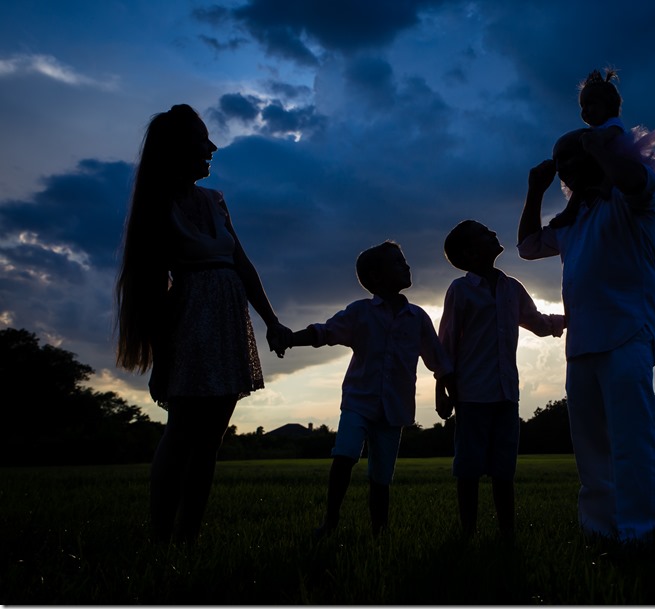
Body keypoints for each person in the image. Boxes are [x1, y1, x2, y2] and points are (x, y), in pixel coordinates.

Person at [114, 104, 293, 544]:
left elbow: (242, 263)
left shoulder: (215, 201)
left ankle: (187, 537)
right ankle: (160, 538)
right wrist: (163, 357)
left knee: (210, 440)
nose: (211, 147)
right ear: (177, 149)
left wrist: (270, 320)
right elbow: (153, 288)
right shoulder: (158, 207)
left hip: (229, 325)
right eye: (201, 140)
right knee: (182, 433)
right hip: (191, 324)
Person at [517, 80, 655, 544]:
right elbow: (527, 247)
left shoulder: (634, 199)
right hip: (583, 339)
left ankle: (640, 532)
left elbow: (629, 179)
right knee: (589, 444)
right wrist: (534, 190)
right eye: (562, 163)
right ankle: (600, 528)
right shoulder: (574, 220)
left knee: (630, 438)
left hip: (627, 330)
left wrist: (600, 148)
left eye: (571, 159)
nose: (565, 169)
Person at [281, 241, 454, 538]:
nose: (407, 267)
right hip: (358, 402)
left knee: (381, 476)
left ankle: (379, 532)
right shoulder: (360, 313)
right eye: (398, 263)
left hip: (394, 409)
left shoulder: (418, 318)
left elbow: (438, 361)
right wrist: (289, 339)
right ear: (376, 277)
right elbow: (324, 332)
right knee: (345, 455)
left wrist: (444, 392)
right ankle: (330, 522)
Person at [437, 220, 564, 539]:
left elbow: (536, 322)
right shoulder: (461, 290)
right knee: (468, 469)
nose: (493, 233)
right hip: (471, 394)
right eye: (483, 233)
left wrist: (571, 319)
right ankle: (468, 533)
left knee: (504, 468)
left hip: (507, 394)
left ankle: (507, 532)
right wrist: (443, 388)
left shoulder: (511, 288)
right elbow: (447, 342)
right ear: (469, 252)